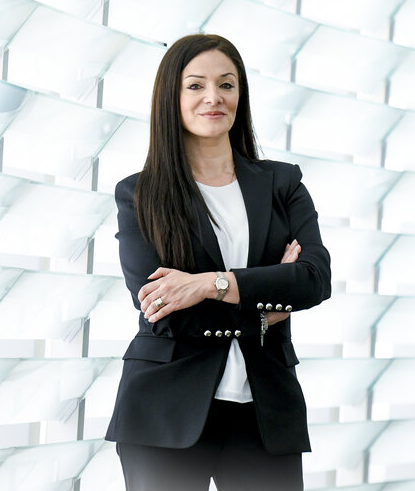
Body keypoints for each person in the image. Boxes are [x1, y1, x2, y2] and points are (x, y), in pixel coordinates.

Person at [105, 33, 332, 491]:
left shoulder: (282, 184)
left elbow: (313, 279)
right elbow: (160, 309)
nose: (214, 97)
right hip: (164, 412)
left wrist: (211, 284)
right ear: (170, 96)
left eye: (227, 84)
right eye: (196, 85)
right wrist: (267, 304)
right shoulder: (140, 194)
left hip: (266, 411)